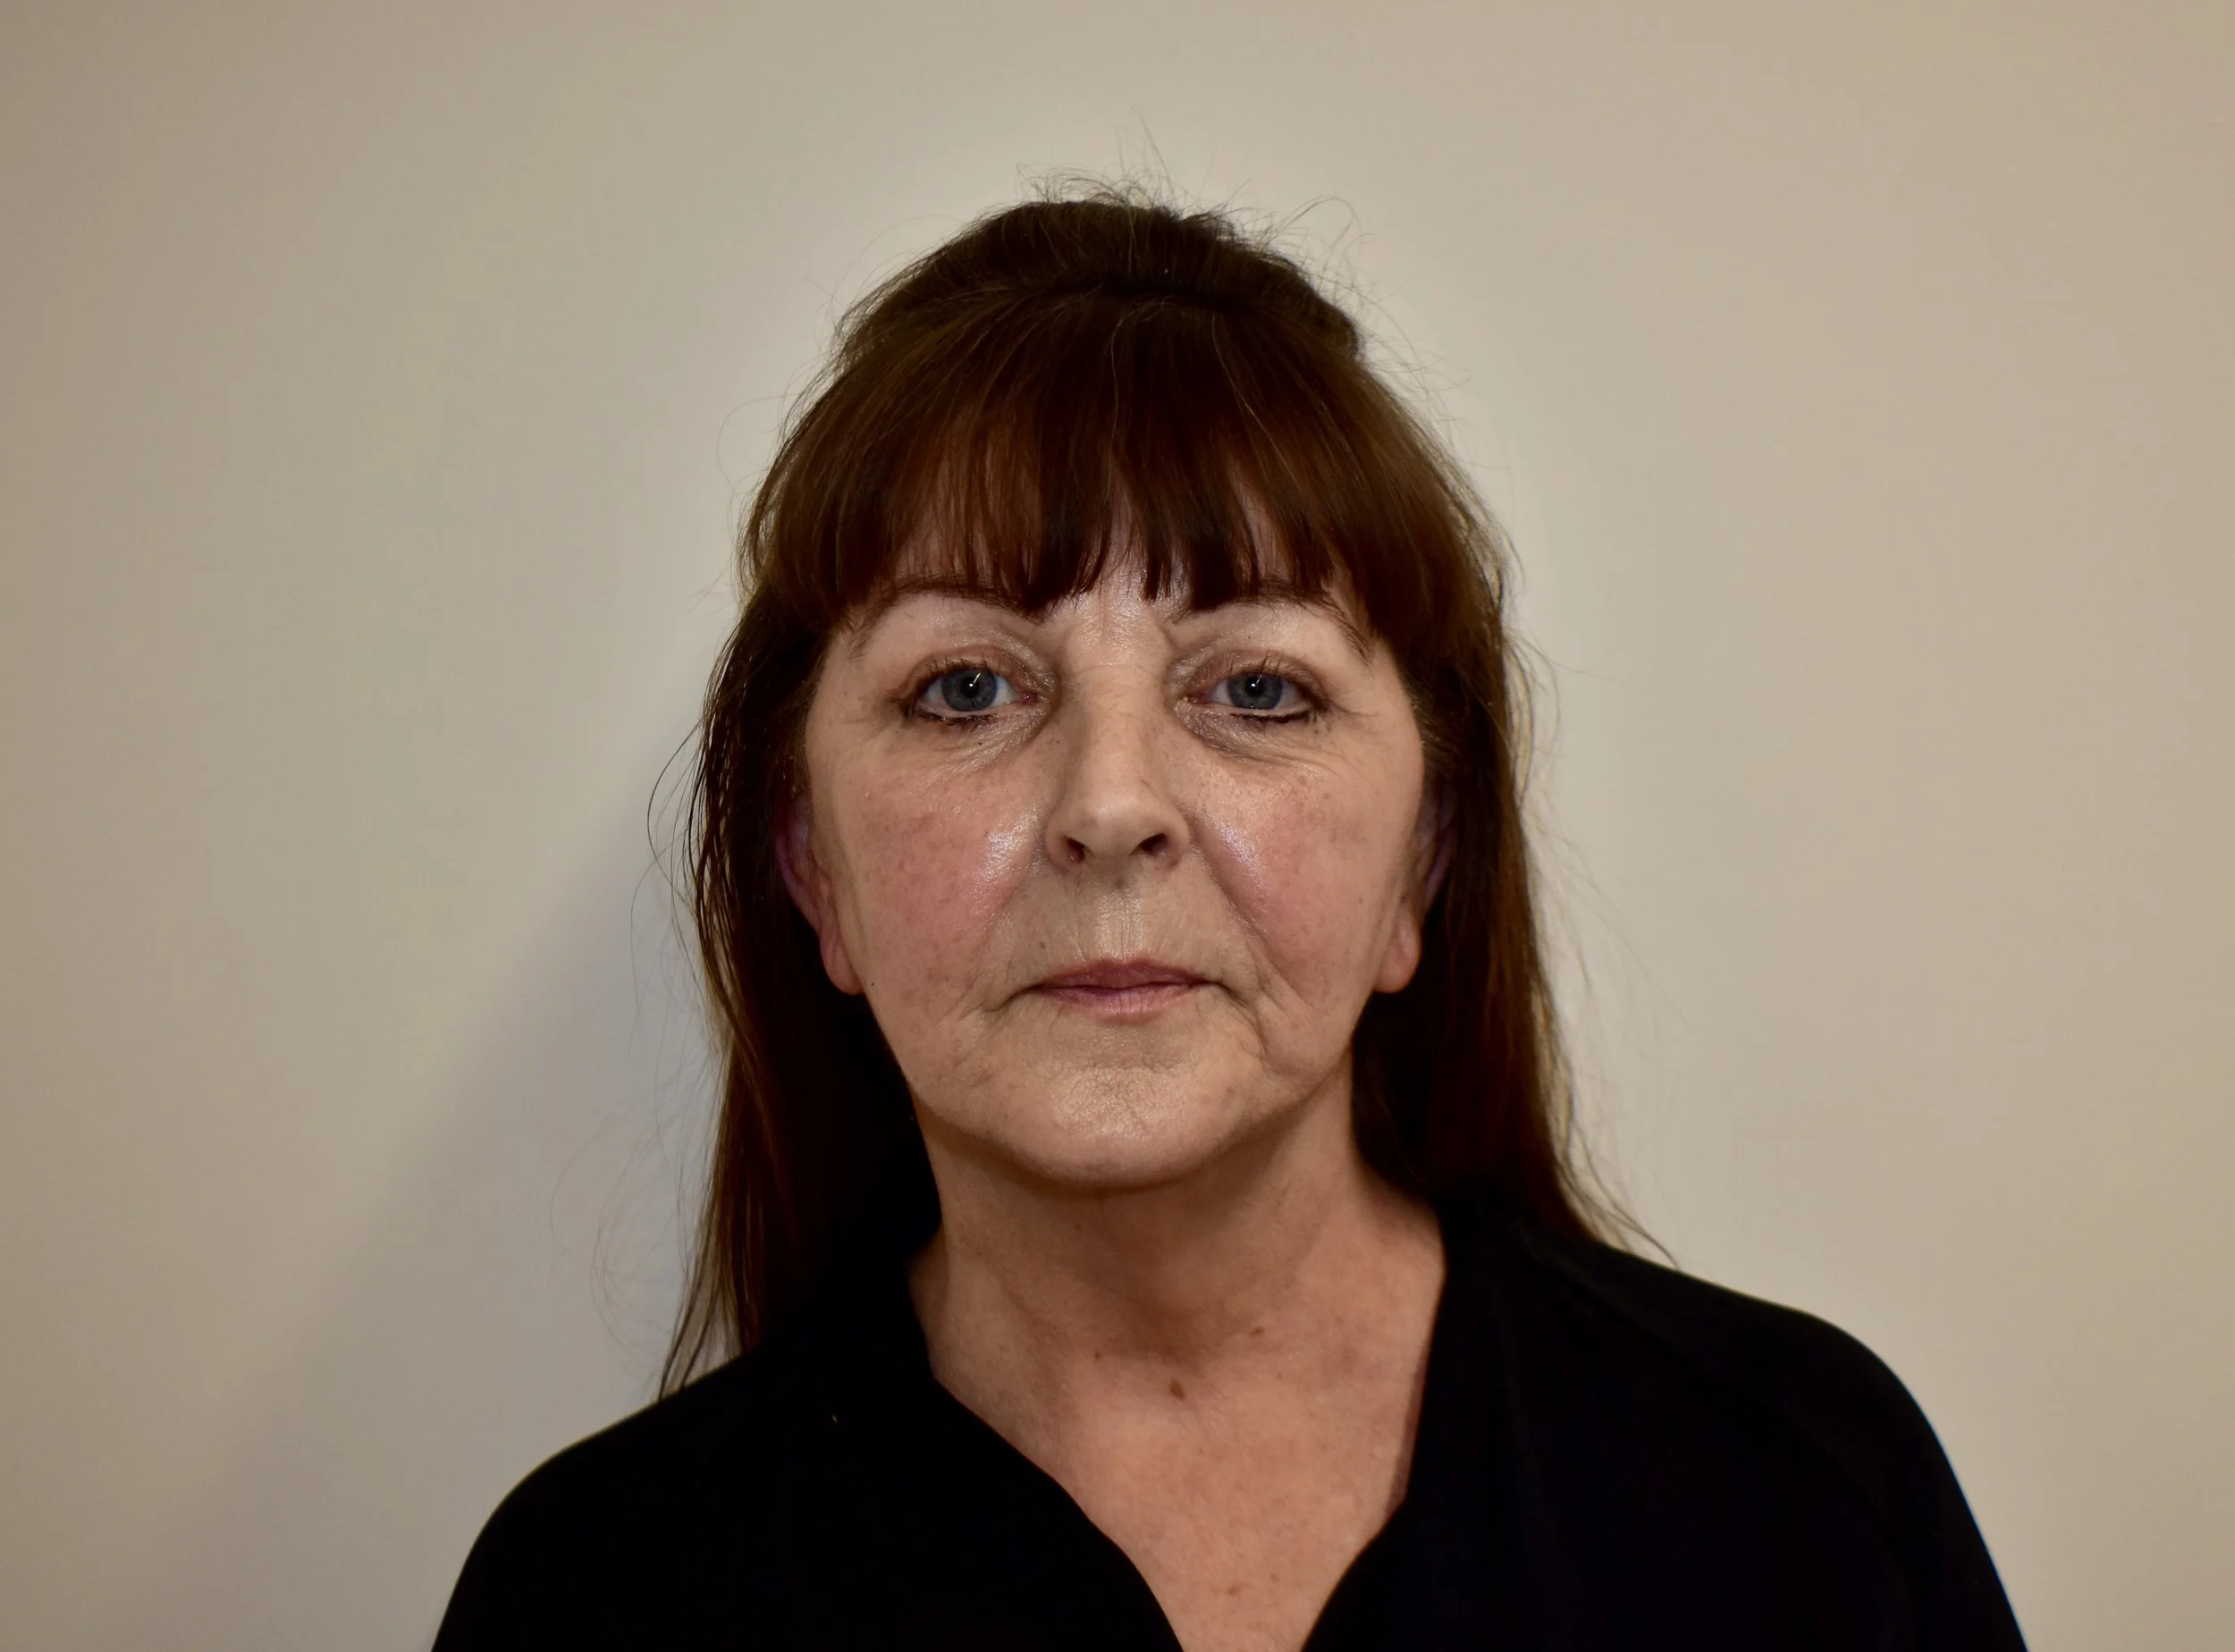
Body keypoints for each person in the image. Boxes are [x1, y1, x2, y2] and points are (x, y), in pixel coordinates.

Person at [433, 190, 2026, 1651]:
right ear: (811, 871)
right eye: (967, 687)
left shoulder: (1808, 1509)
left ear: (1424, 862)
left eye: (1258, 689)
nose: (1111, 801)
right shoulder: (590, 1602)